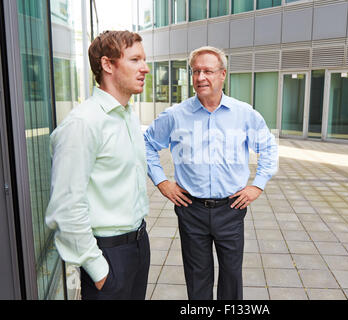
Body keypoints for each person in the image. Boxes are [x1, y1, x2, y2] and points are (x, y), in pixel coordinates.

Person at [144, 46, 278, 300]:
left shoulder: (244, 114)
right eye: (195, 71)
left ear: (223, 74)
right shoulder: (175, 115)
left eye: (207, 71)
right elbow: (147, 144)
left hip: (231, 209)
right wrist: (162, 182)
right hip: (190, 209)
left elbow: (269, 148)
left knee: (231, 277)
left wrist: (257, 185)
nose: (200, 77)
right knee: (197, 279)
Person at [45, 30, 151, 300]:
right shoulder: (83, 123)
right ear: (107, 64)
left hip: (138, 245)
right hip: (108, 256)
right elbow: (66, 208)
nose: (145, 68)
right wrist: (99, 271)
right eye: (135, 60)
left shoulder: (126, 116)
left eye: (144, 60)